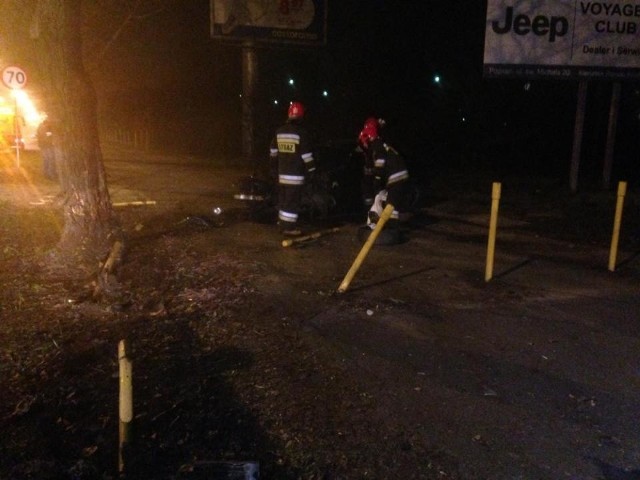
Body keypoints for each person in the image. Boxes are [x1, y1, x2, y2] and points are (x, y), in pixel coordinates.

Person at [269, 101, 316, 236]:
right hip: (295, 176)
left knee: (284, 201)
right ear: (301, 116)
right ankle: (289, 228)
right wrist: (312, 171)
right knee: (292, 203)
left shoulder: (279, 131)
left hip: (282, 175)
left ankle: (282, 225)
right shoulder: (301, 133)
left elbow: (272, 151)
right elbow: (306, 156)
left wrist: (273, 168)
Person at [358, 117, 410, 229]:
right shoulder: (382, 143)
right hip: (400, 174)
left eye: (364, 142)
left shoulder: (376, 144)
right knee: (392, 203)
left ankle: (393, 229)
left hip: (396, 176)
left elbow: (380, 162)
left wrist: (377, 178)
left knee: (391, 205)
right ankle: (394, 226)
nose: (365, 145)